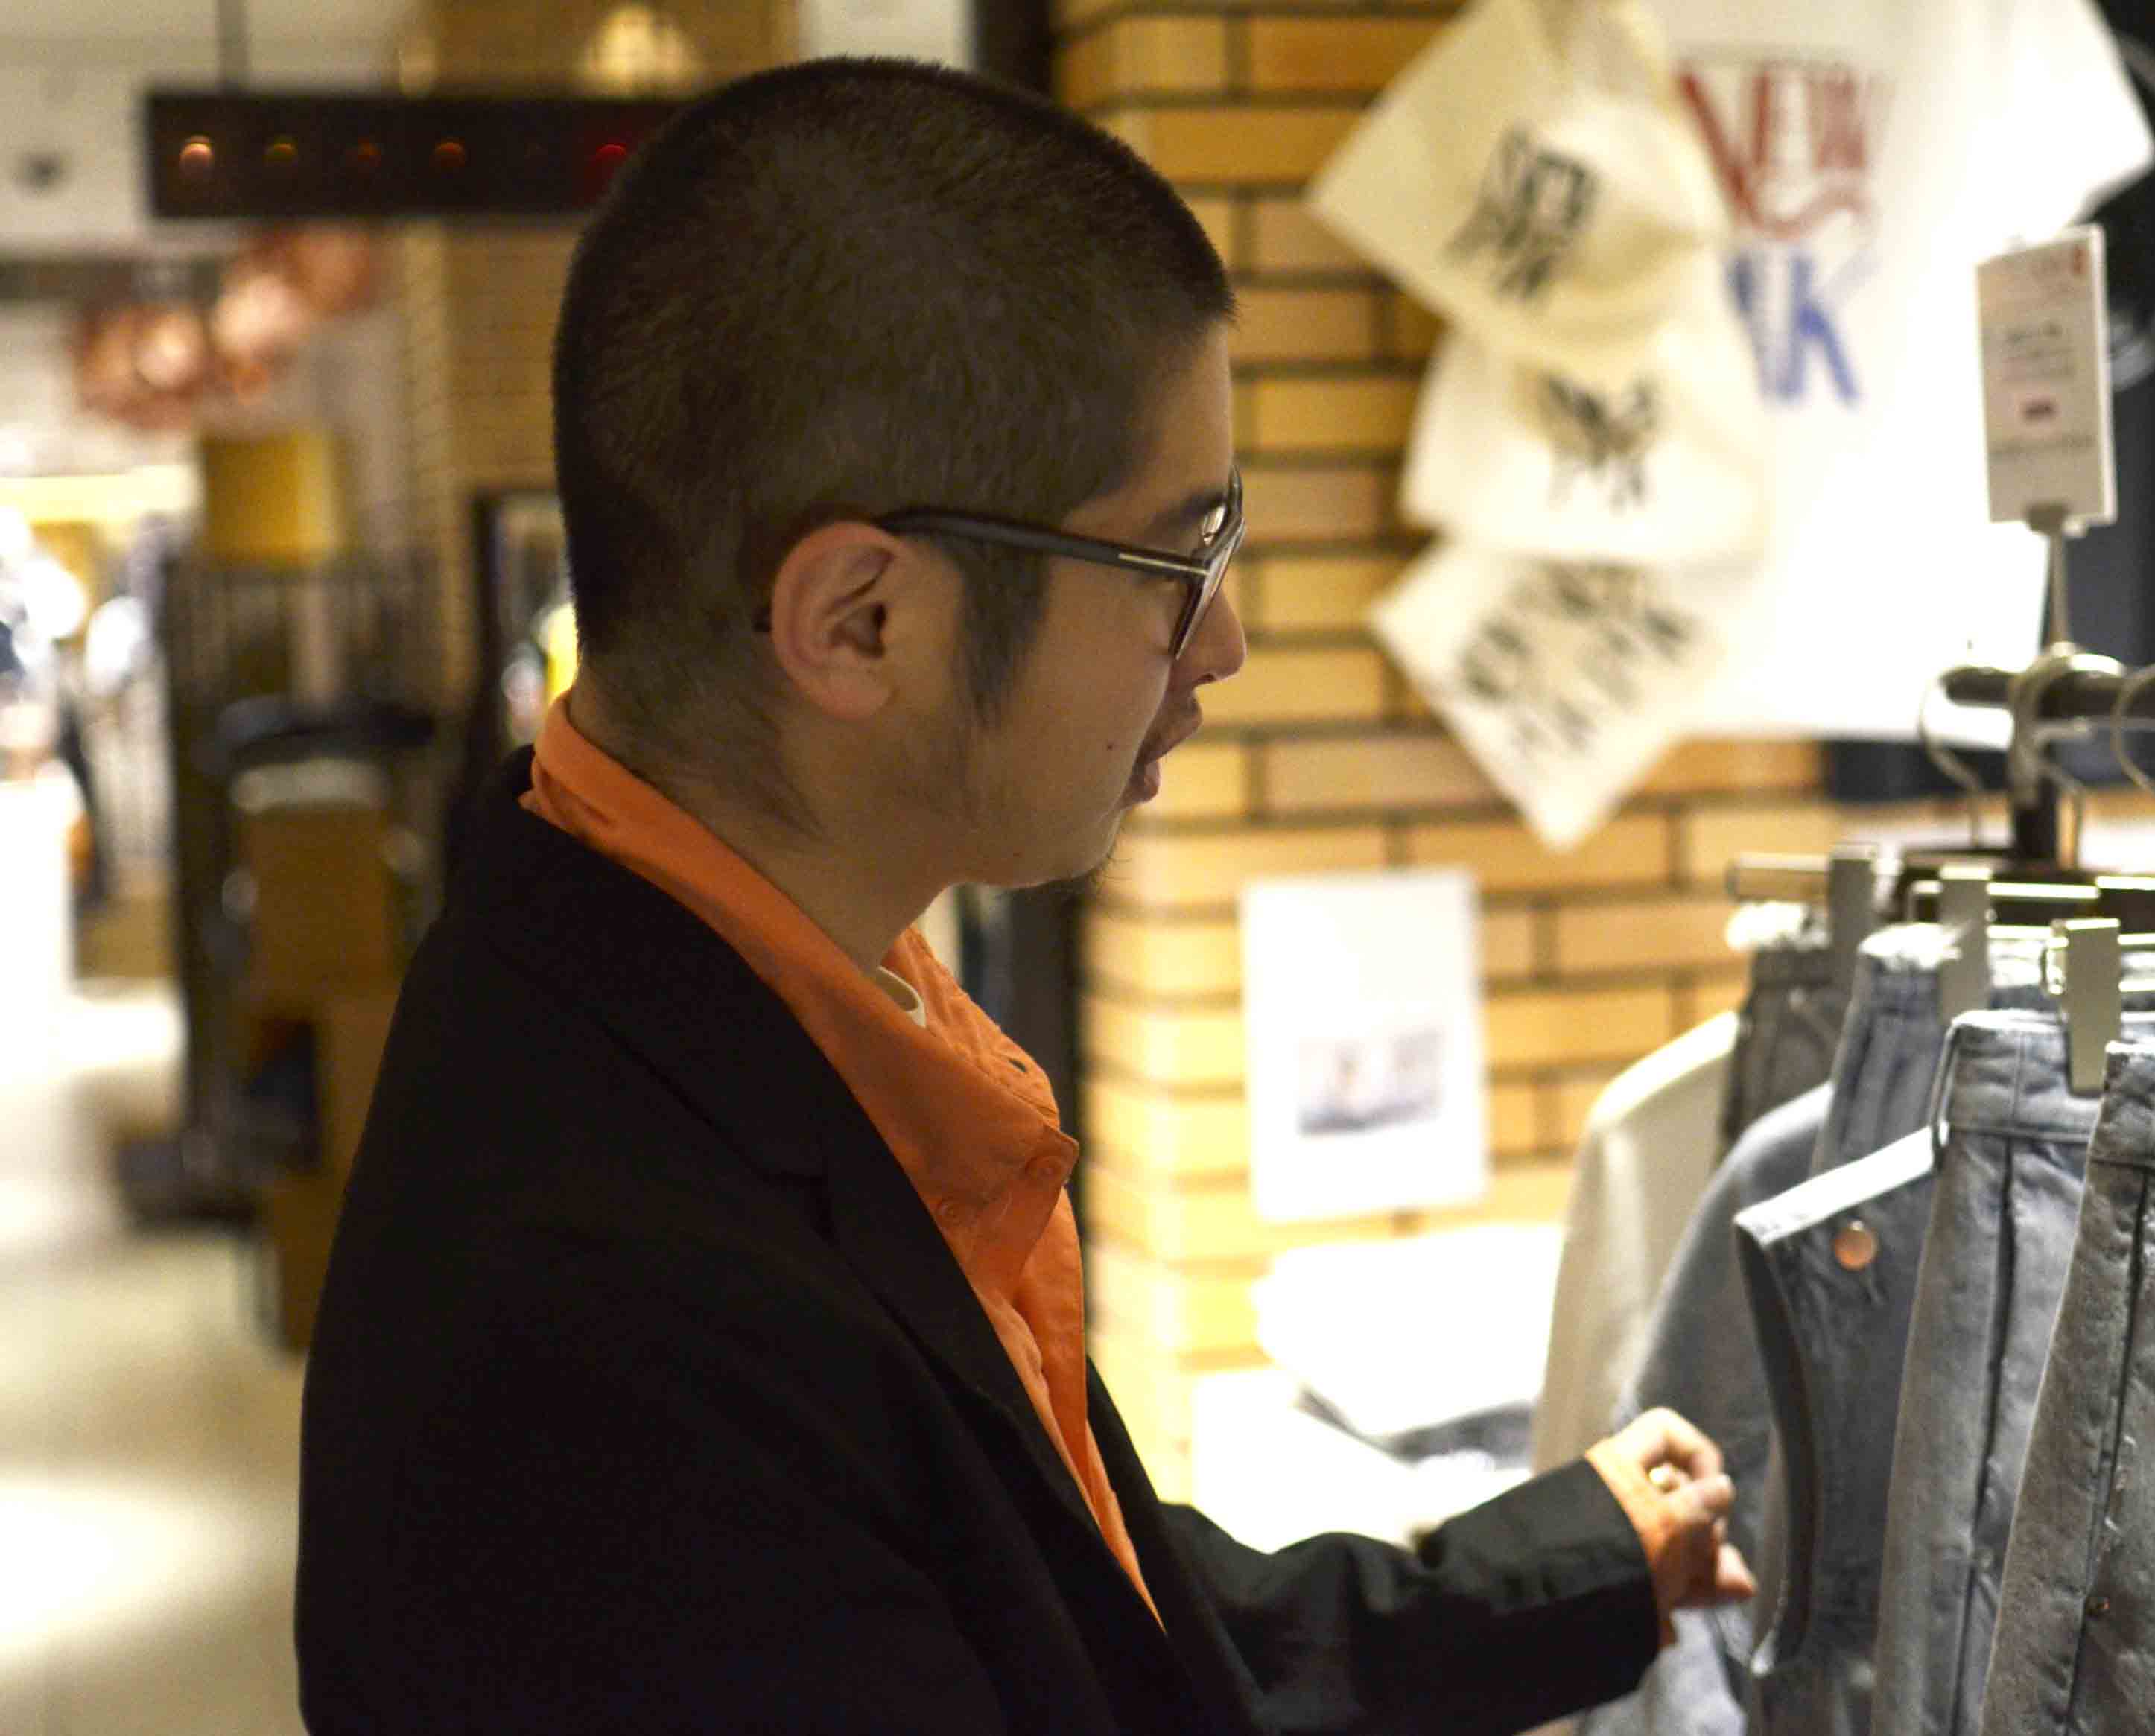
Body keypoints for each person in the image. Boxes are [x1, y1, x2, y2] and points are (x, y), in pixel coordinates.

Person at [295, 57, 1751, 1735]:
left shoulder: (714, 970)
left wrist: (1568, 1563)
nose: (1222, 643)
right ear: (860, 621)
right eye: (1175, 561)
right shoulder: (612, 1339)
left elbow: (1069, 1617)